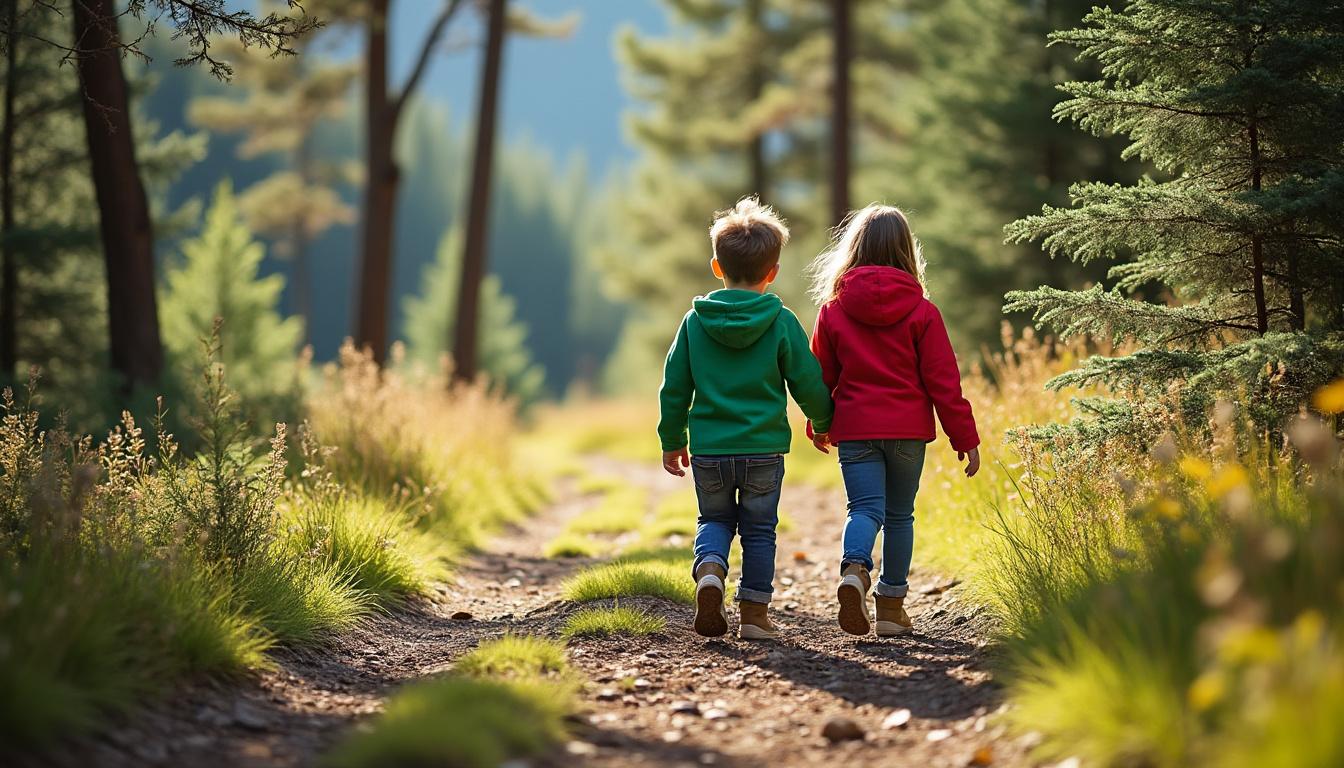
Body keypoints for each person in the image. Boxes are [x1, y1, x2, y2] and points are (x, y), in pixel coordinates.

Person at [658, 197, 834, 640]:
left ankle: (712, 573)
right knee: (759, 532)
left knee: (713, 522)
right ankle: (754, 617)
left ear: (717, 266)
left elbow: (675, 385)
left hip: (710, 450)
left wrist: (672, 438)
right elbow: (807, 380)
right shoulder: (780, 320)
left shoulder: (695, 323)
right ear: (772, 272)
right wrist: (824, 419)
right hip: (763, 449)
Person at [808, 204, 981, 637]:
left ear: (853, 249)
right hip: (907, 432)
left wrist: (819, 422)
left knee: (864, 508)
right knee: (900, 515)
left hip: (856, 430)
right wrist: (965, 436)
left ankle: (854, 568)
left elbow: (820, 377)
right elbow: (944, 382)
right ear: (907, 251)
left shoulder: (833, 311)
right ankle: (890, 608)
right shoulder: (923, 313)